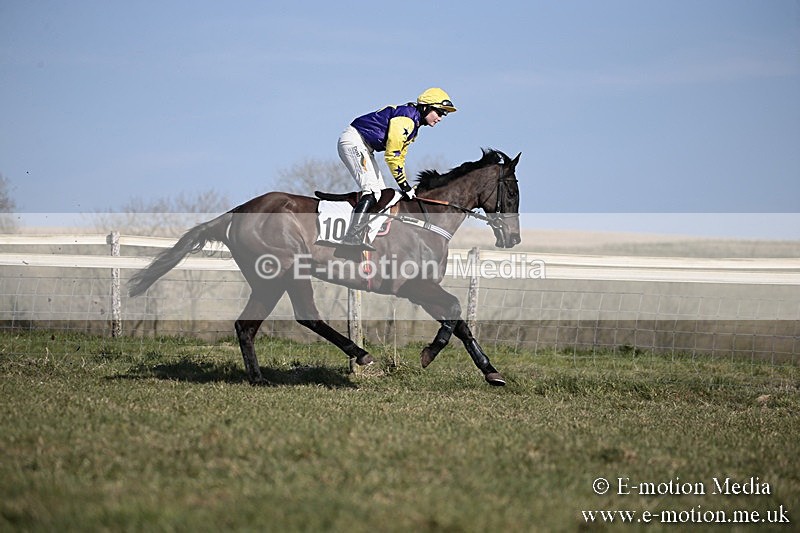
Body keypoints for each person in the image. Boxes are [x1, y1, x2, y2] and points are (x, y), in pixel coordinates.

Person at [336, 87, 457, 249]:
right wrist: (404, 186)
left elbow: (400, 158)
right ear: (426, 107)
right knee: (372, 191)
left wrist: (405, 184)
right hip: (354, 141)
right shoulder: (406, 119)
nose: (441, 118)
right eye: (440, 112)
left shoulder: (413, 126)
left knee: (380, 194)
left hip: (364, 147)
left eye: (444, 115)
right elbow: (392, 156)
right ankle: (351, 237)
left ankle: (362, 234)